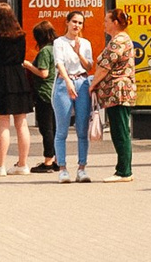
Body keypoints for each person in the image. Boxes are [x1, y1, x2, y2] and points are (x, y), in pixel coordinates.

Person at [0, 4, 37, 174]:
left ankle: (0, 166)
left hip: (1, 81)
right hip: (19, 79)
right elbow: (21, 58)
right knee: (22, 123)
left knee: (2, 123)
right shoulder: (21, 36)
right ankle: (23, 164)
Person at [92, 9, 140, 182]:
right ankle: (123, 169)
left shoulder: (118, 41)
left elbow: (105, 67)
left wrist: (92, 85)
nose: (104, 24)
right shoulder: (121, 39)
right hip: (118, 91)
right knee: (121, 130)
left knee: (120, 131)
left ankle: (124, 171)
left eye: (106, 21)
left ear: (115, 23)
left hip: (117, 92)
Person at [53, 11, 95, 183]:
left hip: (82, 82)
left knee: (82, 129)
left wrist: (79, 54)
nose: (77, 26)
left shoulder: (85, 43)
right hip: (64, 83)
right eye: (74, 22)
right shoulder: (59, 42)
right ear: (67, 22)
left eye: (80, 23)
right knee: (62, 129)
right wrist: (68, 83)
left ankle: (82, 168)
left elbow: (90, 66)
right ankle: (62, 168)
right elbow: (59, 63)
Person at [30, 23, 61, 171]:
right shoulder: (57, 49)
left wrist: (28, 65)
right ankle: (57, 159)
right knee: (55, 128)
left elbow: (43, 73)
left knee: (46, 129)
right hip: (56, 92)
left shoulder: (44, 51)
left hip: (44, 93)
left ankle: (48, 161)